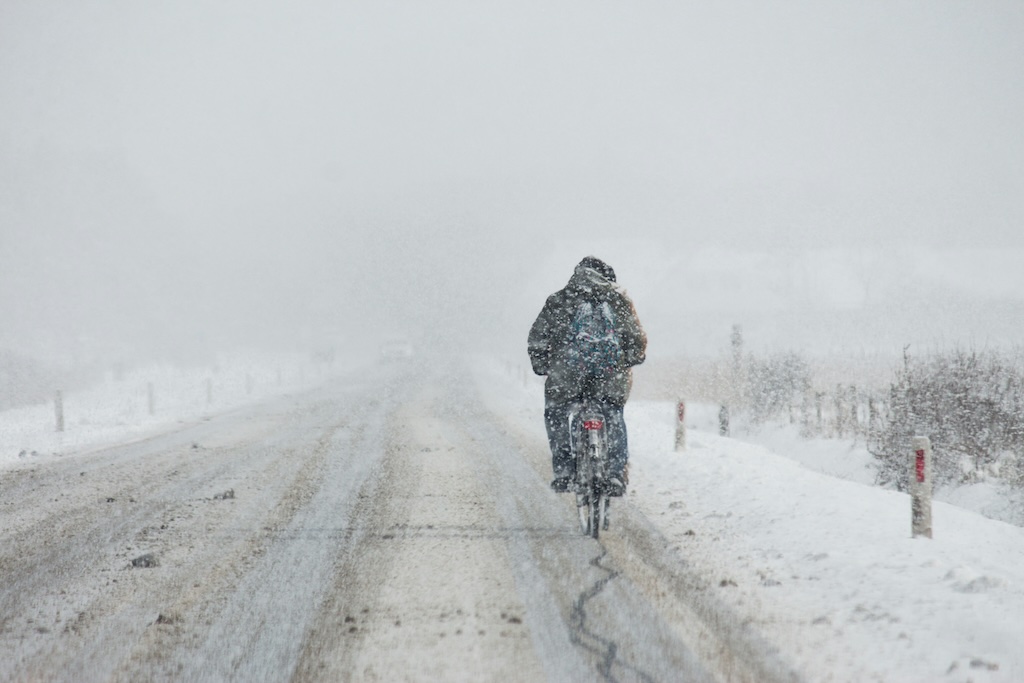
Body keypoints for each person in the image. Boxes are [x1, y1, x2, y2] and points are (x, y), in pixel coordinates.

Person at [527, 256, 647, 495]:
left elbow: (538, 337)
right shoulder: (619, 300)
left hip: (567, 377)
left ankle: (564, 471)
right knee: (612, 414)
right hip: (609, 377)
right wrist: (632, 358)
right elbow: (636, 338)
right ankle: (614, 474)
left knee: (556, 413)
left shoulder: (560, 300)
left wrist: (541, 364)